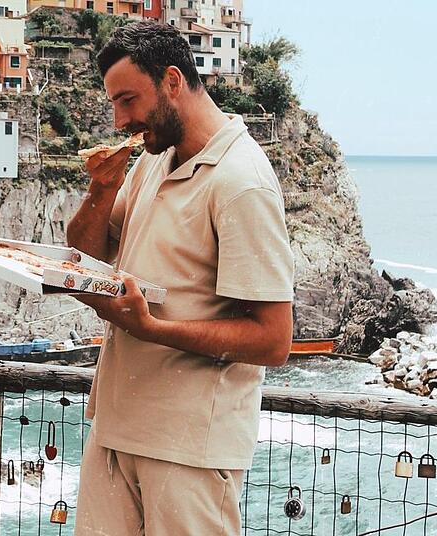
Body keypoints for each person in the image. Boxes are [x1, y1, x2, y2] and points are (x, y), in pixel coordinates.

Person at [67, 21, 295, 535]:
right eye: (115, 104)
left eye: (128, 100)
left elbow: (274, 339)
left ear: (173, 81)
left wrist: (154, 329)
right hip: (113, 429)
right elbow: (86, 255)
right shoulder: (155, 158)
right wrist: (101, 191)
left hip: (189, 447)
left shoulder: (241, 181)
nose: (120, 119)